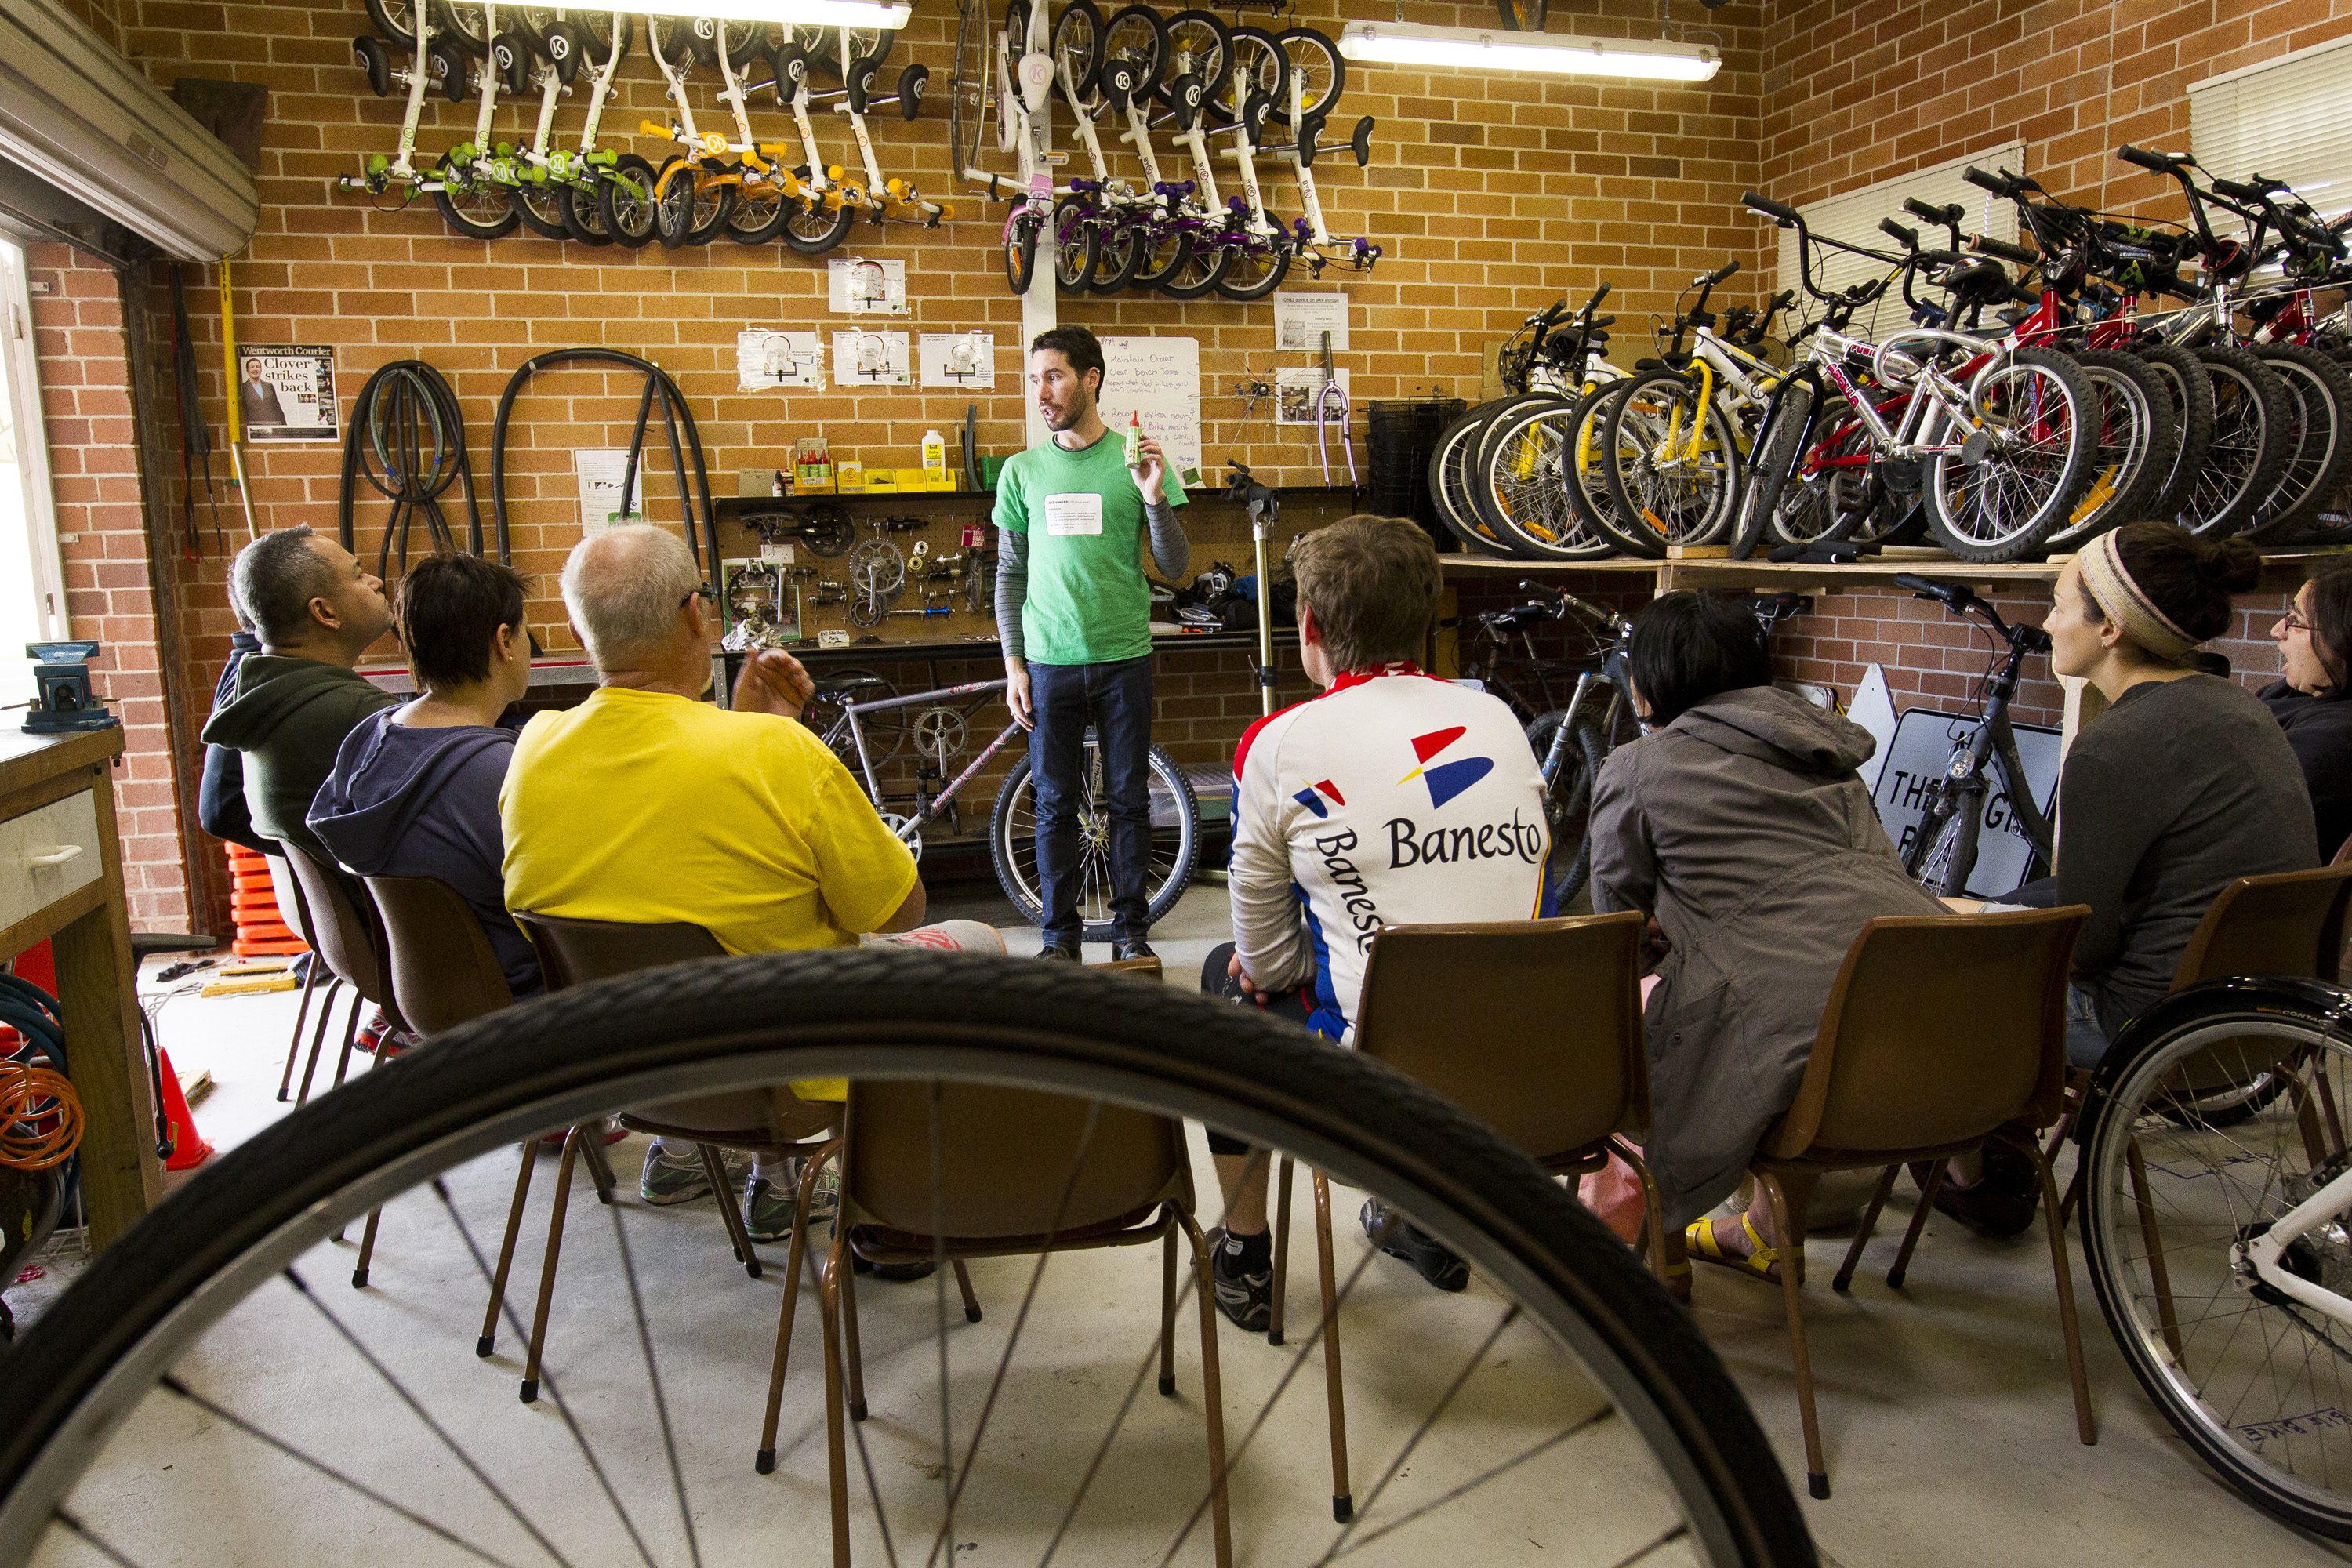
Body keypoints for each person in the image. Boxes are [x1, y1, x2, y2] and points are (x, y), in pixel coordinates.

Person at [501, 524, 1004, 1246]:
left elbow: (654, 855)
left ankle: (679, 1153)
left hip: (626, 1071)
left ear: (585, 635)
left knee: (710, 948)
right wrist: (761, 737)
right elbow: (898, 908)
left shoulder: (534, 748)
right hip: (783, 1081)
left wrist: (740, 731)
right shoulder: (776, 751)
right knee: (979, 943)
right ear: (694, 615)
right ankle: (856, 1198)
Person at [1200, 515, 1549, 1327]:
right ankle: (1425, 1220)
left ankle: (1246, 1257)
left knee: (1226, 978)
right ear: (1423, 619)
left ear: (1311, 629)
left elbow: (1267, 959)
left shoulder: (1281, 741)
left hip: (1382, 1096)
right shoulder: (1497, 717)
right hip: (1540, 1077)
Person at [1940, 524, 2318, 1233]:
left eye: (2058, 604)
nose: (2047, 622)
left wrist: (1973, 931)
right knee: (1982, 916)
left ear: (2111, 625)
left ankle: (1978, 1176)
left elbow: (2085, 948)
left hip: (2149, 1026)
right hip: (2263, 1019)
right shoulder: (2243, 711)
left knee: (1923, 988)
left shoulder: (2114, 746)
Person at [1585, 591, 1943, 1290]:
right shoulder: (1830, 753)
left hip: (1799, 1065)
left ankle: (1659, 1259)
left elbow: (1614, 936)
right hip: (1925, 1043)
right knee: (1806, 982)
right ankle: (1769, 1235)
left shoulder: (1638, 768)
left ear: (1647, 685)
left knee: (1632, 1029)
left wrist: (1672, 947)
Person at [994, 325, 1189, 963]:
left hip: (1123, 657)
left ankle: (1133, 936)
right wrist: (1013, 664)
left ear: (1091, 378)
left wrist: (1154, 497)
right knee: (1054, 804)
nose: (1042, 393)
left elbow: (1175, 565)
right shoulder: (1021, 471)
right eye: (1035, 380)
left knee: (1130, 799)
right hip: (1049, 662)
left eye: (1053, 376)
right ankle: (1060, 940)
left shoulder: (1136, 459)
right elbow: (1009, 574)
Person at [308, 554, 542, 1000]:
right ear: (505, 641)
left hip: (424, 995)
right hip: (525, 1003)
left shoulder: (366, 741)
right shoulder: (505, 776)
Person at [200, 527, 398, 877]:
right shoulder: (361, 717)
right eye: (358, 574)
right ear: (324, 612)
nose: (376, 581)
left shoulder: (266, 696)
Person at [2263, 564, 2352, 861]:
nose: (2277, 630)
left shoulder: (2335, 738)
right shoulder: (2292, 692)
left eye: (2295, 621)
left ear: (2342, 641)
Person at [239, 358, 287, 428]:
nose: (255, 369)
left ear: (261, 369)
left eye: (257, 367)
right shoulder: (243, 387)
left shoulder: (269, 386)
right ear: (247, 370)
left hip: (272, 426)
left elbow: (277, 407)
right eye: (252, 367)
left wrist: (285, 427)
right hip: (254, 428)